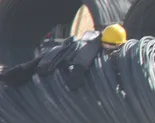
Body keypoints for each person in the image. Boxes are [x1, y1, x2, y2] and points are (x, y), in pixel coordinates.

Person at [0, 24, 128, 88]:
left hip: (60, 56)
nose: (109, 49)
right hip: (54, 58)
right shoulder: (89, 50)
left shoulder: (106, 51)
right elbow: (76, 77)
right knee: (29, 69)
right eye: (107, 45)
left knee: (29, 68)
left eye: (112, 47)